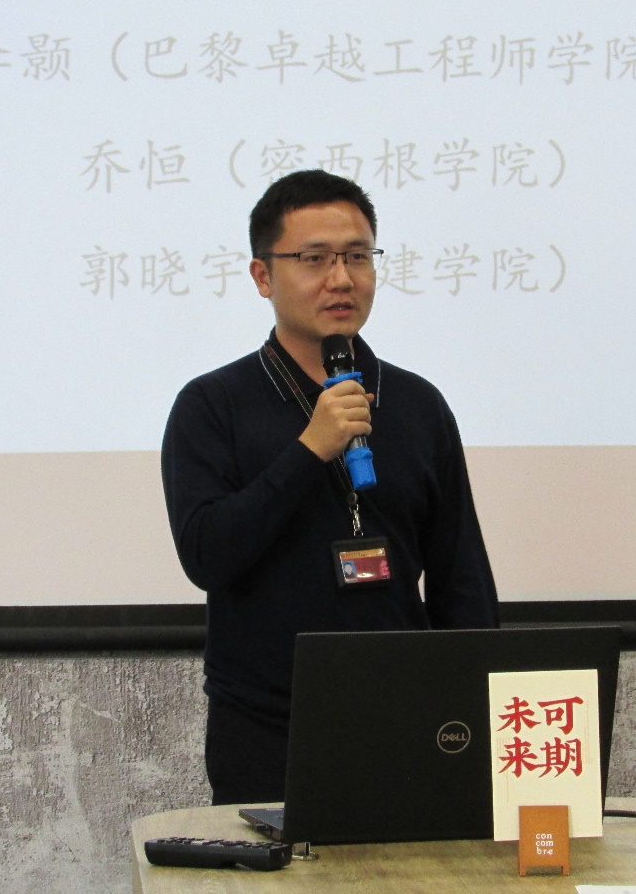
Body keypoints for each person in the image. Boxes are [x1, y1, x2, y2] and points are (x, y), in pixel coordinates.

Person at [161, 169, 499, 805]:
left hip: (410, 720)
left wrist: (476, 710)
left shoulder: (418, 403)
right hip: (268, 728)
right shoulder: (213, 405)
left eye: (357, 256)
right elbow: (207, 555)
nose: (341, 278)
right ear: (263, 276)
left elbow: (462, 577)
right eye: (314, 259)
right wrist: (309, 449)